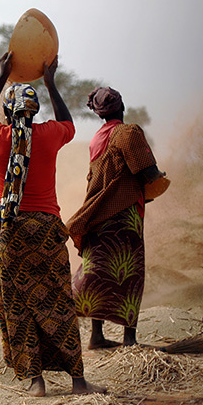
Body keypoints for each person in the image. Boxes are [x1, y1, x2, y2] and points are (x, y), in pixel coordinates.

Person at [0, 51, 106, 397]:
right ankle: (78, 381)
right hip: (46, 230)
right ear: (34, 112)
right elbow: (69, 123)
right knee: (58, 302)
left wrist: (3, 75)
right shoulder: (49, 135)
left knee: (18, 305)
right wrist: (50, 82)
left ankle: (36, 382)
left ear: (7, 113)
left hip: (10, 229)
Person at [66, 87, 166, 350]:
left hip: (98, 214)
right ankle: (129, 339)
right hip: (123, 214)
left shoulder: (97, 138)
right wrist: (158, 178)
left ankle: (96, 335)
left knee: (99, 269)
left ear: (99, 114)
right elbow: (149, 171)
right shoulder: (128, 132)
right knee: (129, 271)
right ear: (121, 107)